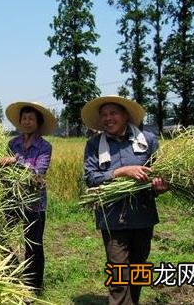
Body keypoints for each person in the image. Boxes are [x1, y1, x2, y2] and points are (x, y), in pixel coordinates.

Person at [81, 95, 168, 305]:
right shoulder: (94, 144)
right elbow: (91, 178)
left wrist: (160, 186)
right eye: (104, 115)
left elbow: (162, 173)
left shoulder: (147, 140)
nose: (108, 118)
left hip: (143, 216)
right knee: (119, 276)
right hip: (112, 219)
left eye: (113, 113)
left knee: (138, 271)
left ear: (126, 115)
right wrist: (121, 171)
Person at [0, 101, 56, 296]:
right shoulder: (12, 144)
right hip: (12, 200)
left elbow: (38, 173)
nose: (27, 122)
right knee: (0, 235)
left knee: (33, 245)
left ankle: (34, 287)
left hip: (34, 203)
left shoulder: (44, 147)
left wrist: (15, 162)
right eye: (24, 118)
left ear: (38, 122)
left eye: (31, 119)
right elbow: (3, 171)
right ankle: (12, 273)